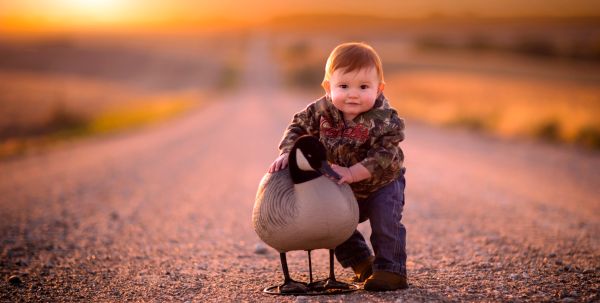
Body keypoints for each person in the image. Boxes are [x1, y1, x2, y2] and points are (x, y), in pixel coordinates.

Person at [268, 42, 407, 291]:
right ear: (328, 87)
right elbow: (297, 128)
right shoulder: (319, 111)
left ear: (379, 89)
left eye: (364, 87)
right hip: (340, 182)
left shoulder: (386, 119)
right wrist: (289, 151)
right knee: (333, 222)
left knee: (386, 223)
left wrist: (354, 173)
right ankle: (362, 262)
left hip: (381, 184)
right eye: (343, 86)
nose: (353, 94)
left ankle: (391, 269)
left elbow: (385, 154)